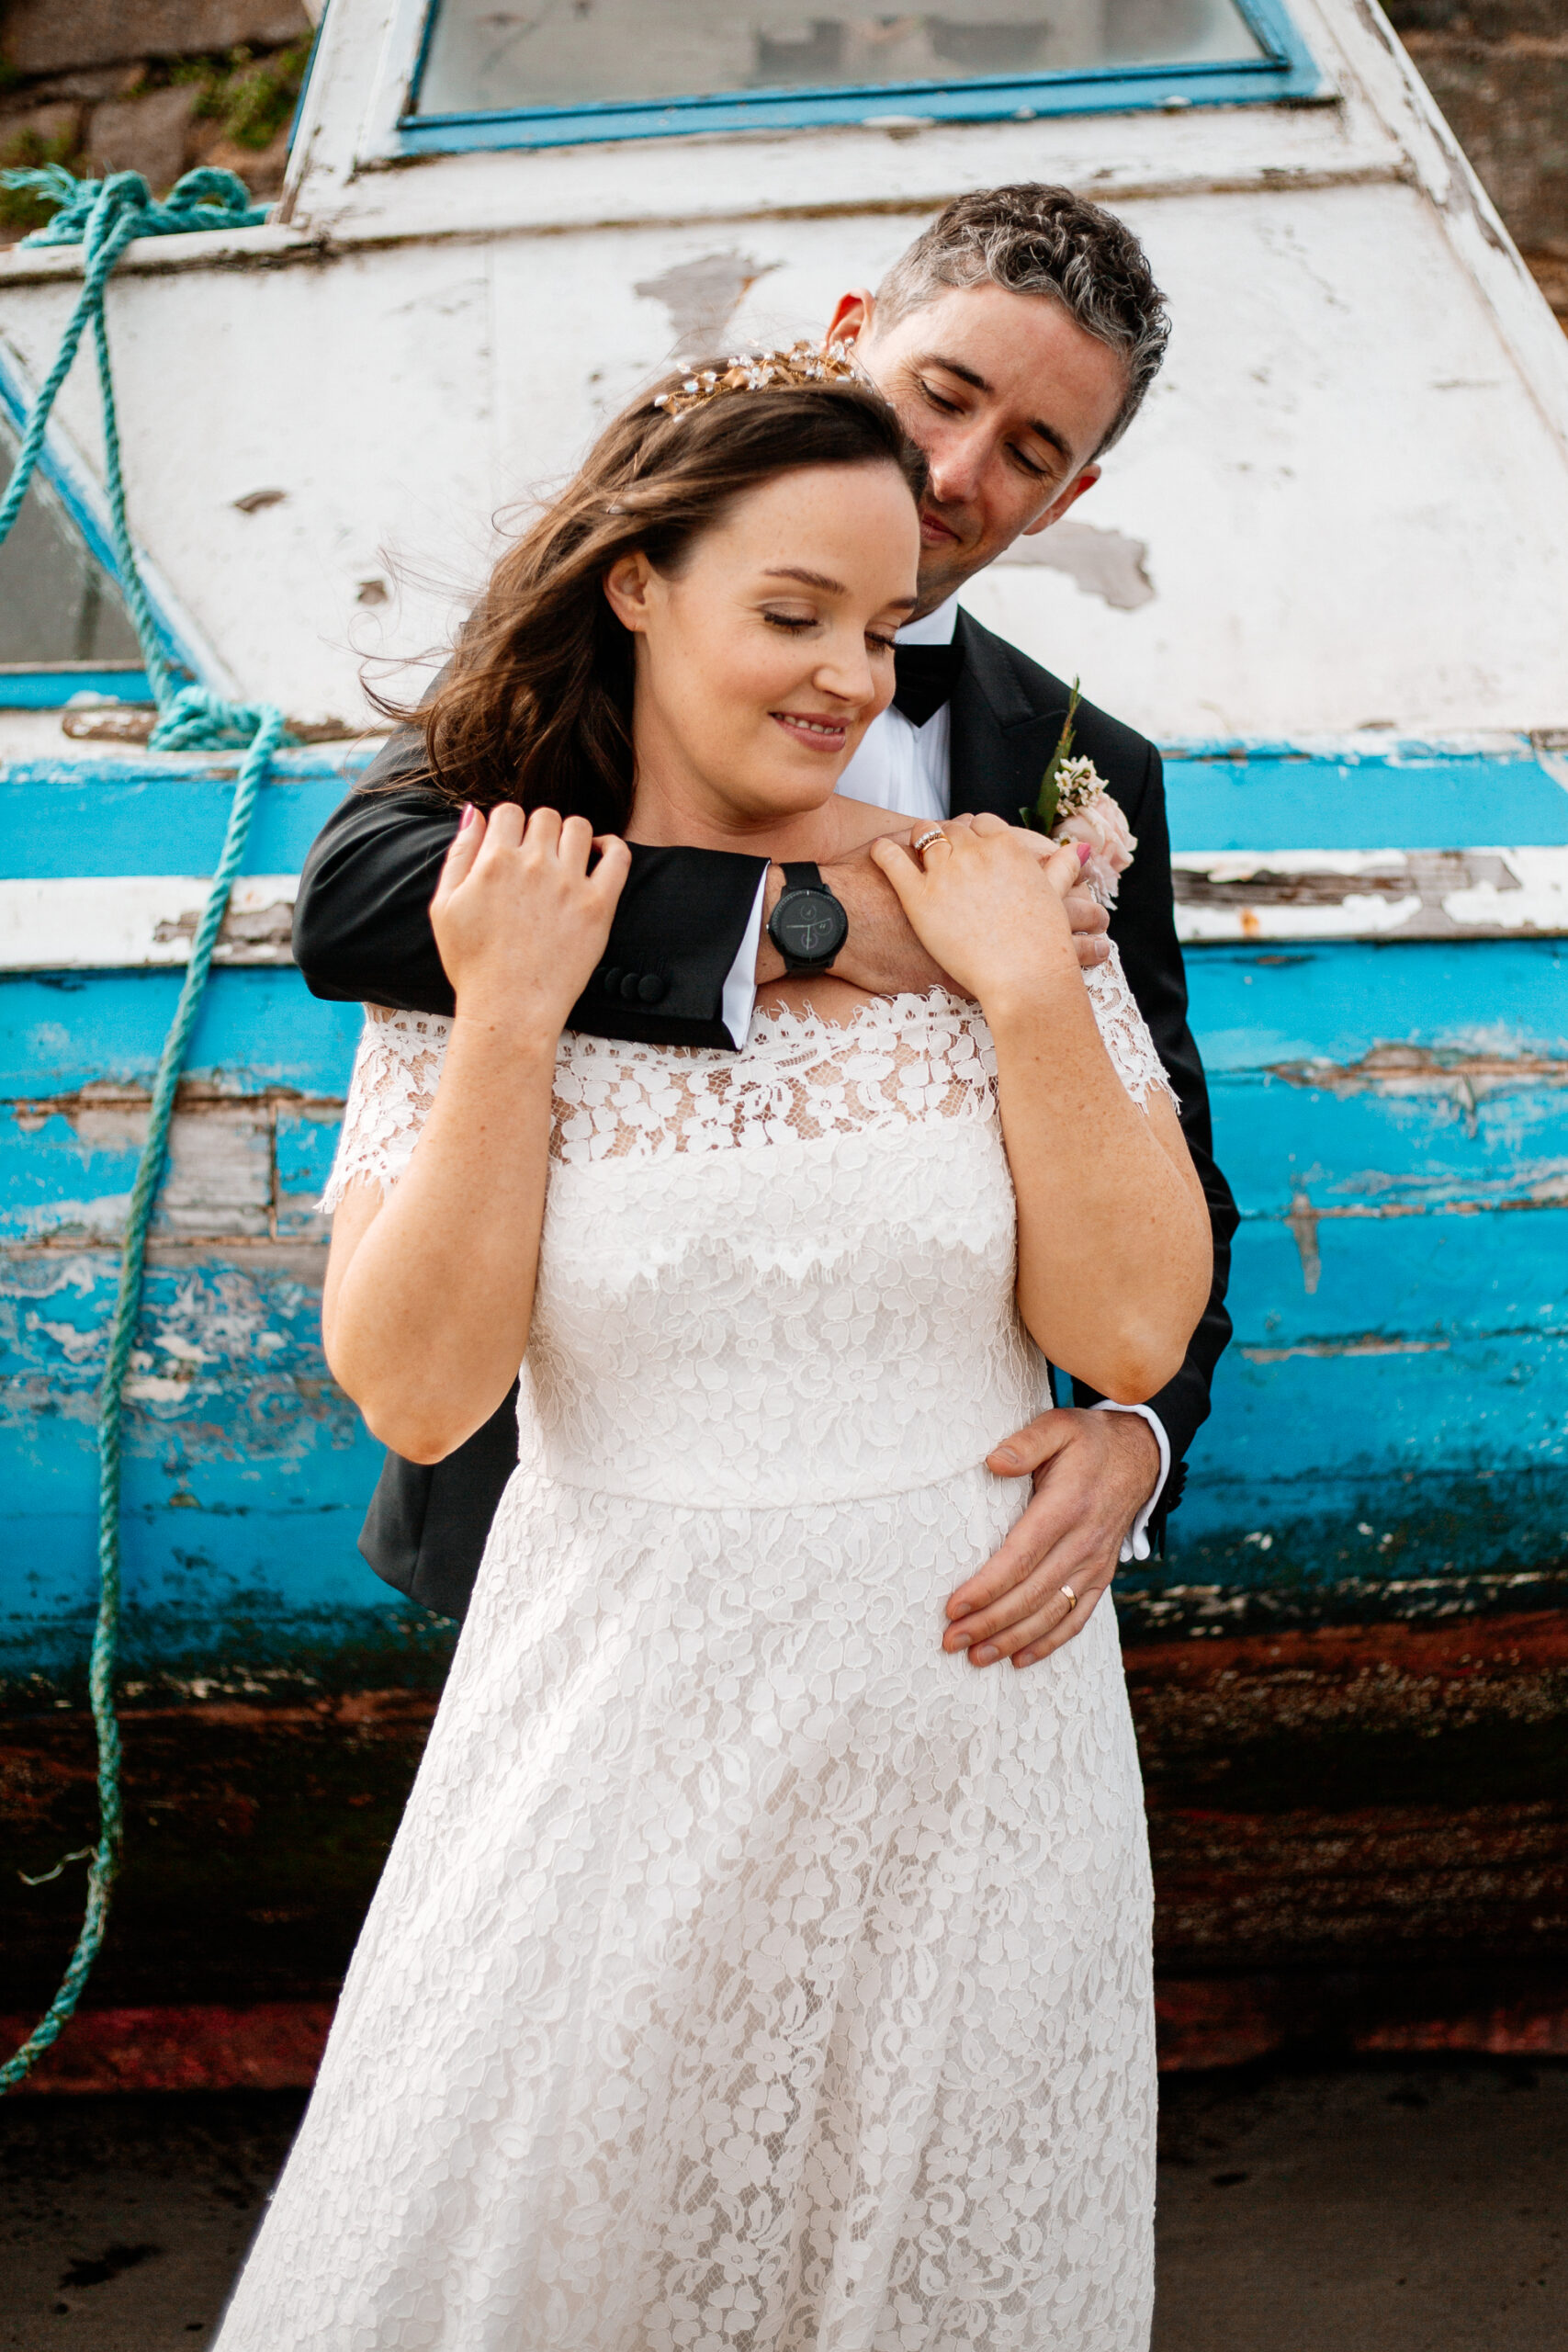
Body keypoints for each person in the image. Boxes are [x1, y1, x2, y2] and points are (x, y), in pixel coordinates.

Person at [217, 349, 1212, 2351]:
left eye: (873, 624)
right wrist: (507, 1017)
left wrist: (1029, 1000)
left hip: (971, 1742)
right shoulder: (490, 909)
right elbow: (421, 1392)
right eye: (788, 616)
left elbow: (1117, 1328)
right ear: (636, 584)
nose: (847, 675)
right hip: (617, 1716)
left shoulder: (990, 902)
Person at [295, 180, 1238, 1666]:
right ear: (852, 335)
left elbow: (1165, 1133)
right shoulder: (604, 657)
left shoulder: (1083, 774)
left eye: (1031, 454)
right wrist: (807, 923)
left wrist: (1138, 1426)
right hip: (561, 1535)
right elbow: (358, 899)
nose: (954, 468)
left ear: (1070, 502)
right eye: (942, 393)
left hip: (944, 1590)